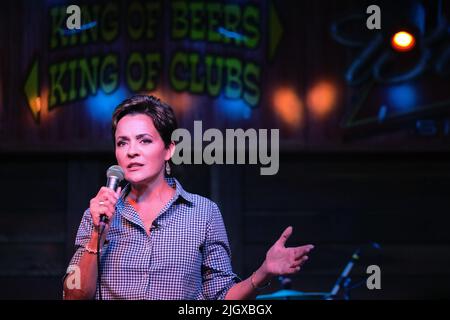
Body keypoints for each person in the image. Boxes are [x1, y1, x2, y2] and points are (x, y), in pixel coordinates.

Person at [63, 94, 314, 300]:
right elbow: (73, 297)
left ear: (169, 149)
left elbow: (221, 297)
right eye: (122, 143)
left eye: (144, 141)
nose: (132, 152)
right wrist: (98, 234)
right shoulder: (99, 214)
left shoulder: (203, 212)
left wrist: (263, 273)